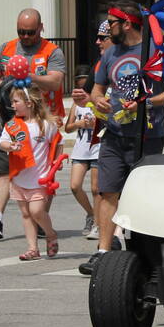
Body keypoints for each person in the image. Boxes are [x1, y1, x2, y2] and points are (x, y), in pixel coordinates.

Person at [79, 1, 164, 276]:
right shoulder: (111, 54)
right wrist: (97, 101)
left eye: (111, 23)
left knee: (145, 197)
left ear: (127, 24)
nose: (106, 29)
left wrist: (144, 104)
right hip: (114, 135)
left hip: (148, 135)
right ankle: (103, 252)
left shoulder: (153, 51)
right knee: (107, 192)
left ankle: (145, 253)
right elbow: (97, 89)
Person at [0, 9, 67, 241]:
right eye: (20, 32)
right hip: (11, 121)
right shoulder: (6, 48)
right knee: (6, 169)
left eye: (29, 32)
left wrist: (30, 77)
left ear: (41, 28)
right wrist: (9, 85)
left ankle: (40, 219)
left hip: (43, 122)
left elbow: (56, 81)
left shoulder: (52, 51)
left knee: (42, 174)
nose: (24, 37)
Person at [0, 83, 61, 261]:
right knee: (26, 214)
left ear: (29, 103)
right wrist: (9, 146)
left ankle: (50, 234)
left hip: (40, 179)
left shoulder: (46, 125)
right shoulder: (12, 125)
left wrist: (56, 161)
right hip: (19, 178)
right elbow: (1, 143)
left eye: (16, 101)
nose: (12, 105)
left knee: (37, 211)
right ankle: (33, 248)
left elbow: (57, 142)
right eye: (12, 102)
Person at [66, 74, 102, 240]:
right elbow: (68, 128)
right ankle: (91, 214)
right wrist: (78, 124)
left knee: (96, 189)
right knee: (75, 186)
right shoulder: (76, 105)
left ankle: (97, 225)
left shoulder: (99, 102)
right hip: (81, 149)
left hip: (97, 148)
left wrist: (97, 123)